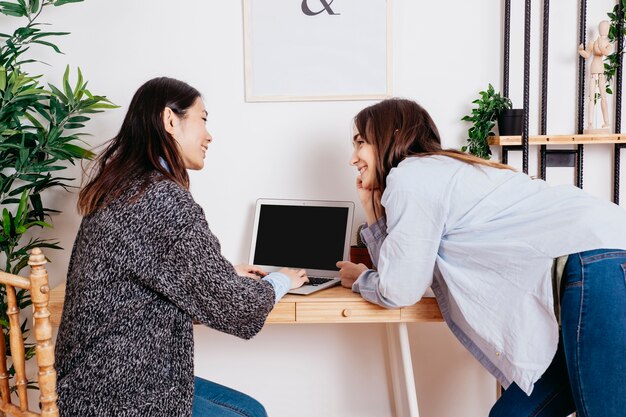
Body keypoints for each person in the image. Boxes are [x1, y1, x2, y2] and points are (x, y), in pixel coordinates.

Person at [336, 98, 626, 417]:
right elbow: (402, 269)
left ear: (391, 133)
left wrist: (361, 279)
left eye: (360, 143)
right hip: (597, 260)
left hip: (597, 262)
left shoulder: (411, 177)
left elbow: (399, 289)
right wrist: (372, 207)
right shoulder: (442, 170)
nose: (353, 159)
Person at [55, 77, 309, 417]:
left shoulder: (123, 187)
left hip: (91, 379)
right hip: (121, 393)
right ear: (170, 120)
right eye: (203, 119)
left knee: (251, 410)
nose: (209, 134)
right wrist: (281, 281)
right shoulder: (162, 199)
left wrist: (224, 274)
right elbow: (235, 308)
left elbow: (146, 271)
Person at [578, 20, 613, 133]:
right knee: (591, 97)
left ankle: (606, 122)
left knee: (603, 97)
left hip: (601, 72)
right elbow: (587, 55)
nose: (604, 30)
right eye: (603, 28)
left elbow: (606, 52)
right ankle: (590, 123)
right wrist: (580, 50)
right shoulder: (593, 42)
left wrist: (601, 44)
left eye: (606, 28)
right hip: (593, 70)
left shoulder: (608, 43)